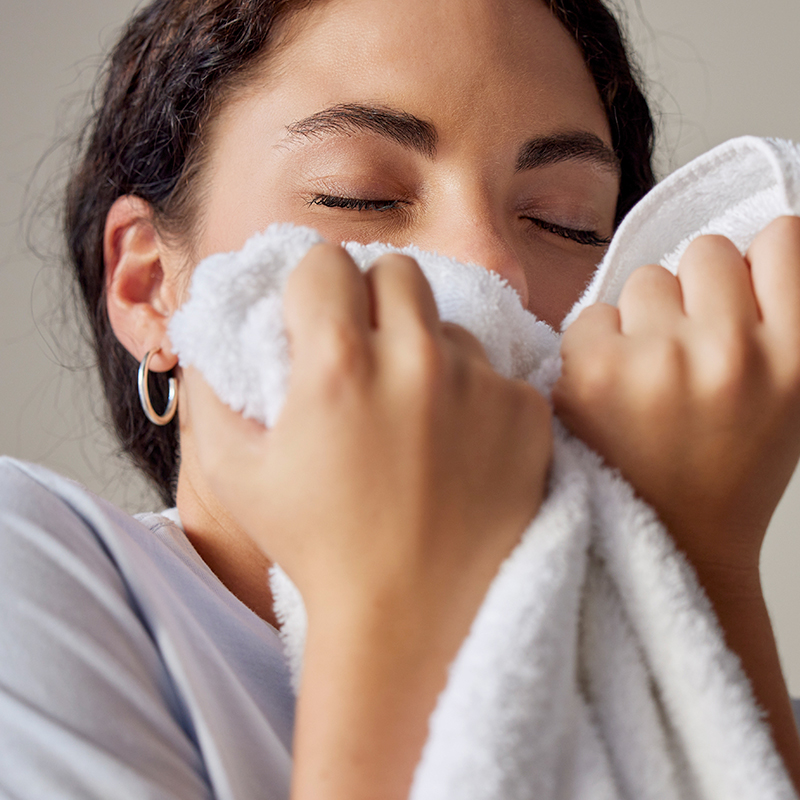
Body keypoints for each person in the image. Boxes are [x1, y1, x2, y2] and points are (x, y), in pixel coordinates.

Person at [2, 0, 800, 797]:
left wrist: (694, 564)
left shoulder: (769, 717)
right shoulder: (36, 572)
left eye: (565, 222)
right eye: (360, 197)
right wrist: (383, 610)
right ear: (148, 287)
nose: (491, 267)